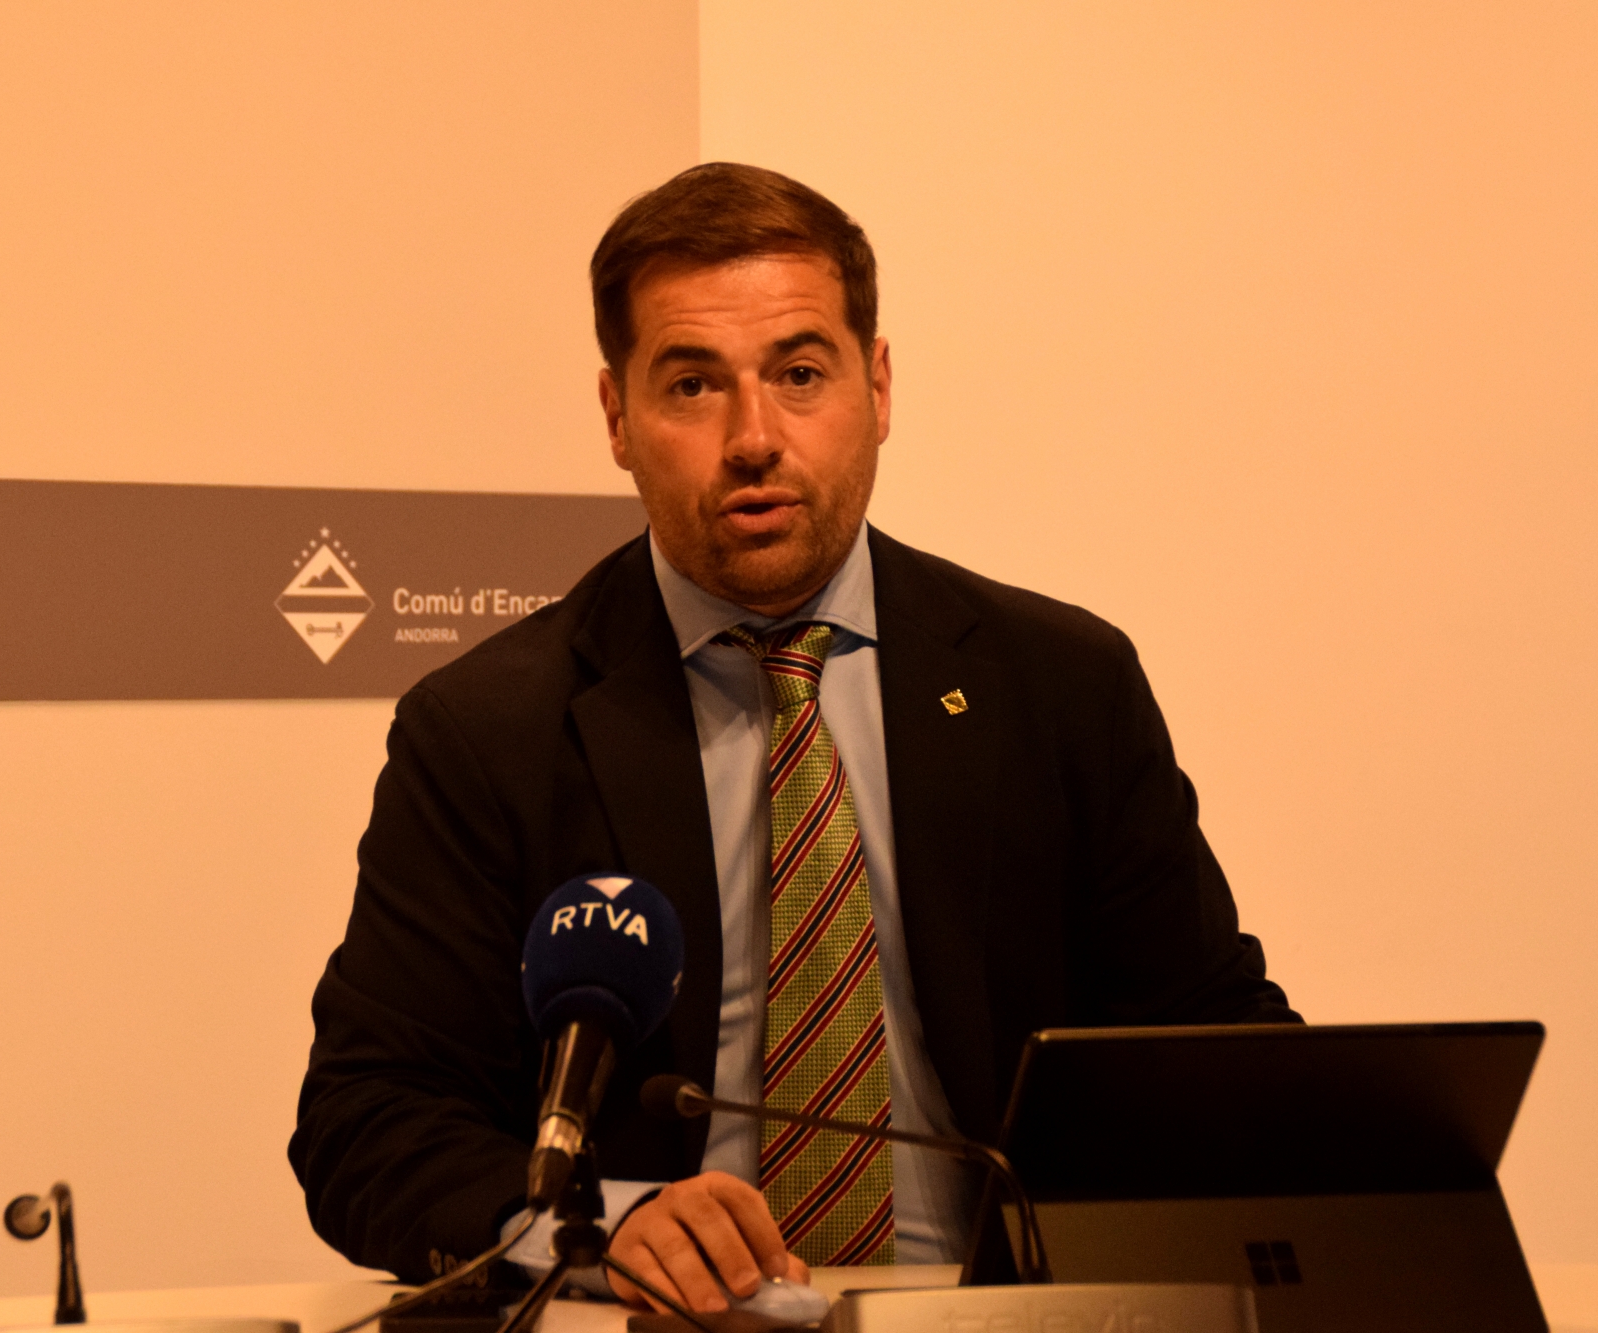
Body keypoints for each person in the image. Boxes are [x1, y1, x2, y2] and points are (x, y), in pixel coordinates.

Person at [288, 162, 1296, 1314]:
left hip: (998, 1312)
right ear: (616, 418)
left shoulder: (1060, 685)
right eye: (691, 386)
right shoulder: (487, 731)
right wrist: (597, 1226)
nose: (753, 437)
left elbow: (1211, 1049)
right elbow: (367, 1120)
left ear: (878, 386)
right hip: (666, 1325)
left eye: (799, 374)